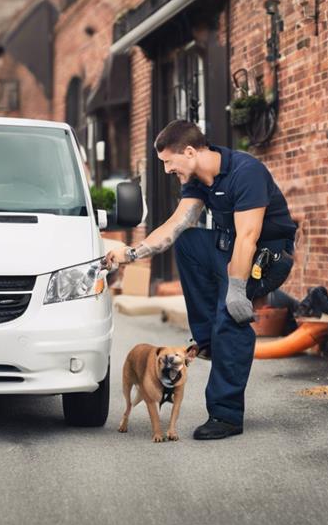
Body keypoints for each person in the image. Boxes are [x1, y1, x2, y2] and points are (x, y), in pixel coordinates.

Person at [104, 120, 296, 440]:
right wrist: (132, 253)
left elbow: (248, 237)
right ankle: (208, 341)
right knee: (189, 242)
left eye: (169, 162)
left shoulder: (245, 173)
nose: (166, 169)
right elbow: (175, 226)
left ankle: (226, 415)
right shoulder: (197, 181)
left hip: (267, 258)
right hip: (229, 251)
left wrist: (236, 290)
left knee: (230, 315)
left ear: (190, 152)